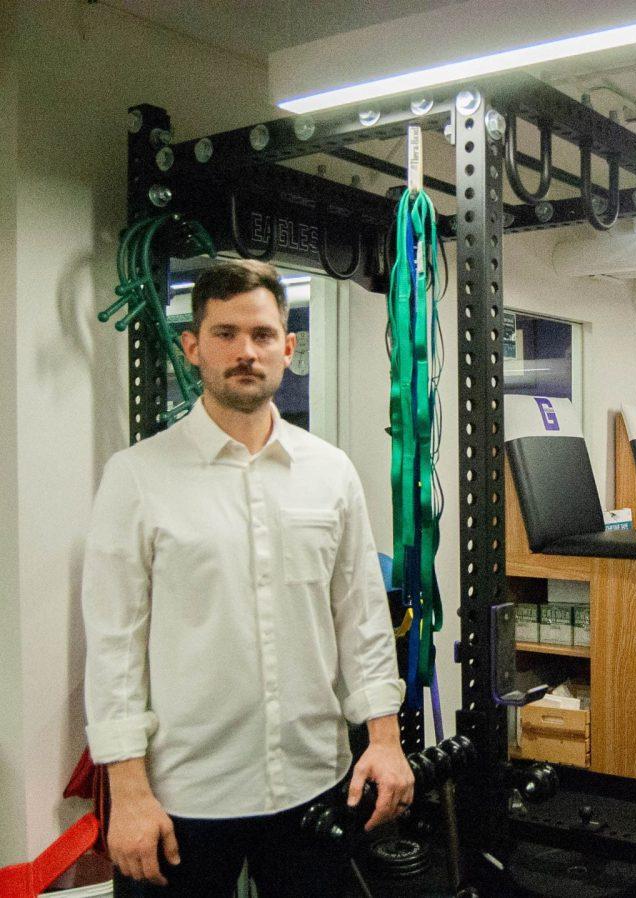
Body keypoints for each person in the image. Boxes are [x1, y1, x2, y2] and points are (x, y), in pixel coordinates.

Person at [83, 259, 414, 896]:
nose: (245, 351)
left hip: (313, 783)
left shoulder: (331, 472)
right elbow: (114, 645)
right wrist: (127, 792)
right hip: (183, 798)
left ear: (288, 349)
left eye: (262, 335)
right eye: (225, 334)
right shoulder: (137, 477)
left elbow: (361, 618)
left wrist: (385, 739)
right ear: (192, 347)